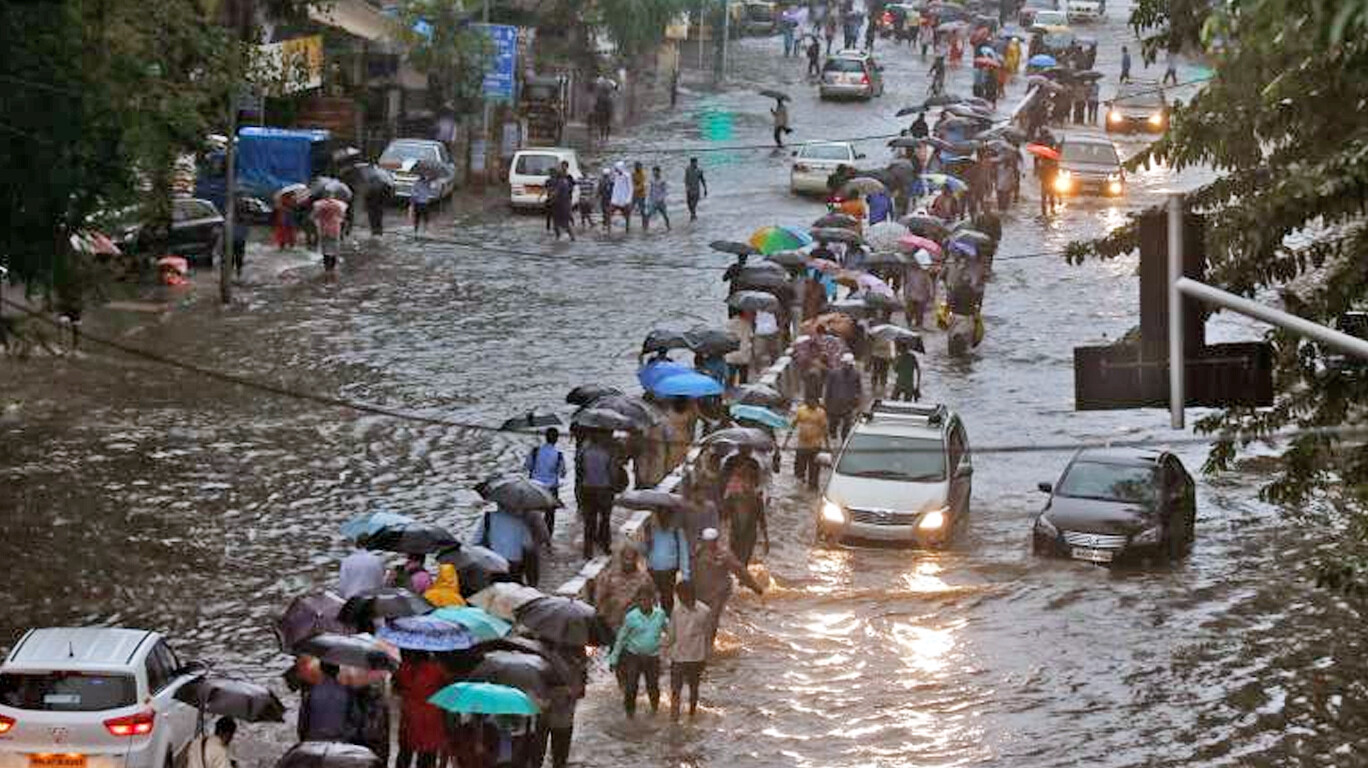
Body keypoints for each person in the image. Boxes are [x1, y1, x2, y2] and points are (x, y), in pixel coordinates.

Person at [692, 527, 764, 651]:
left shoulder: (724, 555)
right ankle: (701, 647)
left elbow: (740, 571)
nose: (709, 544)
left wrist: (755, 587)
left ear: (716, 541)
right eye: (707, 541)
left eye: (711, 541)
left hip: (718, 593)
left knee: (712, 621)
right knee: (699, 621)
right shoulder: (696, 554)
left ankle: (708, 649)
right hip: (700, 593)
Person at [608, 587, 668, 717]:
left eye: (646, 600)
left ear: (653, 600)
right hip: (633, 656)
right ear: (637, 602)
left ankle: (654, 712)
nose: (644, 603)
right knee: (631, 687)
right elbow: (621, 639)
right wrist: (613, 659)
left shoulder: (660, 615)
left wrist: (674, 649)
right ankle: (630, 715)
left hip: (653, 657)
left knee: (653, 687)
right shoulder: (631, 617)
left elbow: (670, 631)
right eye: (640, 600)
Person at [664, 581, 711, 721]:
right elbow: (671, 635)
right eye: (680, 596)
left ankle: (692, 714)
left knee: (694, 688)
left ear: (692, 594)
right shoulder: (676, 611)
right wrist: (662, 650)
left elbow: (708, 635)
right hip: (678, 657)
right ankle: (674, 718)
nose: (682, 598)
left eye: (684, 595)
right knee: (675, 690)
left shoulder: (705, 611)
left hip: (696, 657)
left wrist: (707, 656)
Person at [394, 651, 449, 768]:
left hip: (410, 716)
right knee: (427, 757)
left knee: (405, 753)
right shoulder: (437, 670)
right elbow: (446, 691)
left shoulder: (403, 668)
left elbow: (396, 689)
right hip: (431, 719)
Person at [476, 505, 544, 585]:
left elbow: (478, 540)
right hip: (515, 563)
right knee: (515, 588)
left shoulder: (489, 516)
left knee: (497, 589)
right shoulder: (526, 517)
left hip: (496, 563)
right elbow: (529, 545)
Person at [595, 545, 655, 634]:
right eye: (626, 558)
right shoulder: (609, 576)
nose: (628, 562)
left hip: (636, 626)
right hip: (613, 624)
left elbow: (653, 599)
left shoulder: (644, 578)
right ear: (621, 558)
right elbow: (600, 599)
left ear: (636, 559)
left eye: (631, 559)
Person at [576, 435, 618, 558]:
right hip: (604, 490)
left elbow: (579, 472)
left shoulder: (583, 453)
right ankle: (605, 547)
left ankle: (587, 551)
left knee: (589, 521)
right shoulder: (607, 453)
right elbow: (612, 473)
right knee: (605, 519)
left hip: (587, 489)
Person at [722, 454, 768, 566]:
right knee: (735, 562)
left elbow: (762, 521)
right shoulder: (732, 498)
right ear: (742, 482)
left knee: (744, 562)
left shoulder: (757, 500)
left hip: (749, 536)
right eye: (746, 482)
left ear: (755, 484)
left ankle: (742, 581)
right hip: (735, 535)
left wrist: (766, 540)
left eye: (751, 483)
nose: (748, 485)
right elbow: (723, 518)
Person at [642, 510, 690, 615]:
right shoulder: (649, 526)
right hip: (652, 569)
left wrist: (685, 574)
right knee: (651, 598)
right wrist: (647, 541)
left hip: (669, 570)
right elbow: (643, 551)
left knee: (667, 599)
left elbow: (683, 550)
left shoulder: (676, 528)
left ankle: (667, 622)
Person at [298, 662, 358, 742]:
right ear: (338, 670)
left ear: (321, 670)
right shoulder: (347, 692)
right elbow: (355, 720)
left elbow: (303, 723)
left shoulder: (311, 692)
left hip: (314, 740)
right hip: (340, 740)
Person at [782, 394, 830, 490]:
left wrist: (827, 446)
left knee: (814, 472)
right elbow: (792, 425)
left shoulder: (821, 413)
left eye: (813, 402)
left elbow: (825, 430)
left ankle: (812, 489)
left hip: (815, 446)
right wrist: (785, 442)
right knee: (799, 471)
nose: (811, 403)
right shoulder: (801, 410)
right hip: (802, 446)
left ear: (816, 403)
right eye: (809, 401)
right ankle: (799, 490)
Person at [526, 427, 566, 535]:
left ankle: (533, 537)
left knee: (534, 515)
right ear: (556, 439)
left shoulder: (535, 451)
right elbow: (562, 473)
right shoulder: (559, 455)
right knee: (550, 517)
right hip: (551, 489)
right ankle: (548, 540)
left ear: (545, 437)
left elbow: (528, 466)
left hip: (534, 487)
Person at [824, 352, 862, 441]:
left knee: (847, 426)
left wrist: (857, 404)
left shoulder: (856, 375)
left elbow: (858, 390)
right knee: (833, 425)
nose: (847, 366)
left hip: (848, 405)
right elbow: (828, 389)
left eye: (848, 365)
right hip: (834, 405)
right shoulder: (833, 373)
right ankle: (833, 438)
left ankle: (844, 442)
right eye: (845, 364)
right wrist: (826, 404)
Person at [312, 197, 347, 271]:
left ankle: (327, 265)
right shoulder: (339, 205)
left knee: (325, 246)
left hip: (323, 228)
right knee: (334, 246)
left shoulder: (319, 205)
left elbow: (315, 216)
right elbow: (342, 216)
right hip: (335, 228)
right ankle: (332, 265)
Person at [724, 310, 753, 386]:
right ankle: (742, 395)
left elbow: (725, 338)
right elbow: (751, 336)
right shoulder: (747, 323)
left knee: (730, 379)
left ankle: (729, 395)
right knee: (743, 379)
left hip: (731, 354)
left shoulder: (727, 324)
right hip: (743, 354)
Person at [869, 323, 895, 397]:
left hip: (883, 357)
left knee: (881, 374)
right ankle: (876, 389)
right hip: (879, 357)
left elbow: (891, 349)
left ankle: (880, 389)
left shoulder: (886, 338)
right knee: (877, 373)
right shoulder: (878, 338)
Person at [610, 162, 634, 231]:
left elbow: (631, 188)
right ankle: (608, 228)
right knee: (610, 213)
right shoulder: (615, 175)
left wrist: (628, 199)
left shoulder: (627, 176)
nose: (615, 170)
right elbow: (614, 186)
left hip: (624, 199)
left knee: (626, 215)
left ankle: (627, 229)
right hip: (615, 199)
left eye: (616, 169)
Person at [645, 166, 670, 231]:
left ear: (659, 172)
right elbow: (650, 190)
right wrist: (649, 199)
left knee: (665, 215)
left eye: (656, 171)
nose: (654, 173)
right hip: (653, 201)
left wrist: (661, 198)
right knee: (648, 214)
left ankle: (668, 227)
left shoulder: (662, 181)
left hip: (661, 201)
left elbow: (665, 191)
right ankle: (646, 228)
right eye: (653, 172)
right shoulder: (652, 180)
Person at [631, 162, 648, 229]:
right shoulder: (633, 174)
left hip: (641, 195)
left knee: (642, 211)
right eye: (636, 166)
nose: (636, 168)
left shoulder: (643, 174)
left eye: (638, 166)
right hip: (634, 195)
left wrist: (634, 188)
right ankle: (628, 224)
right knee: (630, 209)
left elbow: (642, 185)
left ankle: (645, 225)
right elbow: (631, 182)